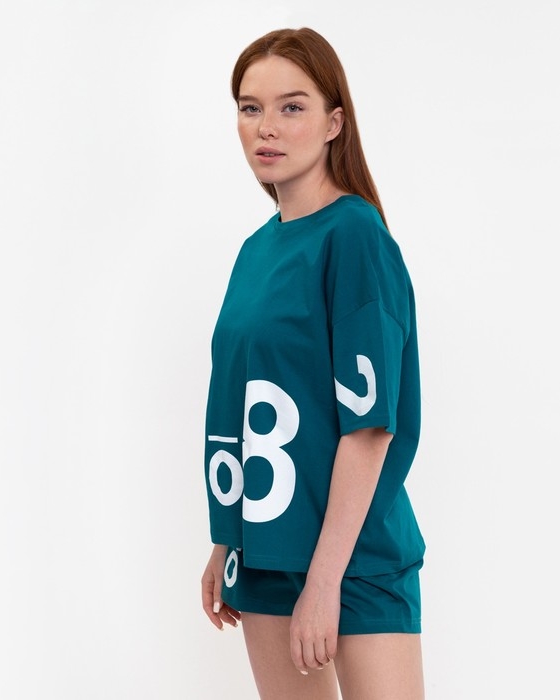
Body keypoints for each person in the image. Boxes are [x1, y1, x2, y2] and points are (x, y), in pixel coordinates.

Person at [201, 27, 426, 700]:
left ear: (334, 123)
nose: (266, 127)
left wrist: (325, 580)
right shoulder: (254, 251)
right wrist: (226, 542)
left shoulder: (355, 235)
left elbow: (369, 425)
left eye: (291, 107)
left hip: (354, 559)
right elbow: (245, 405)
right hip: (264, 552)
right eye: (250, 107)